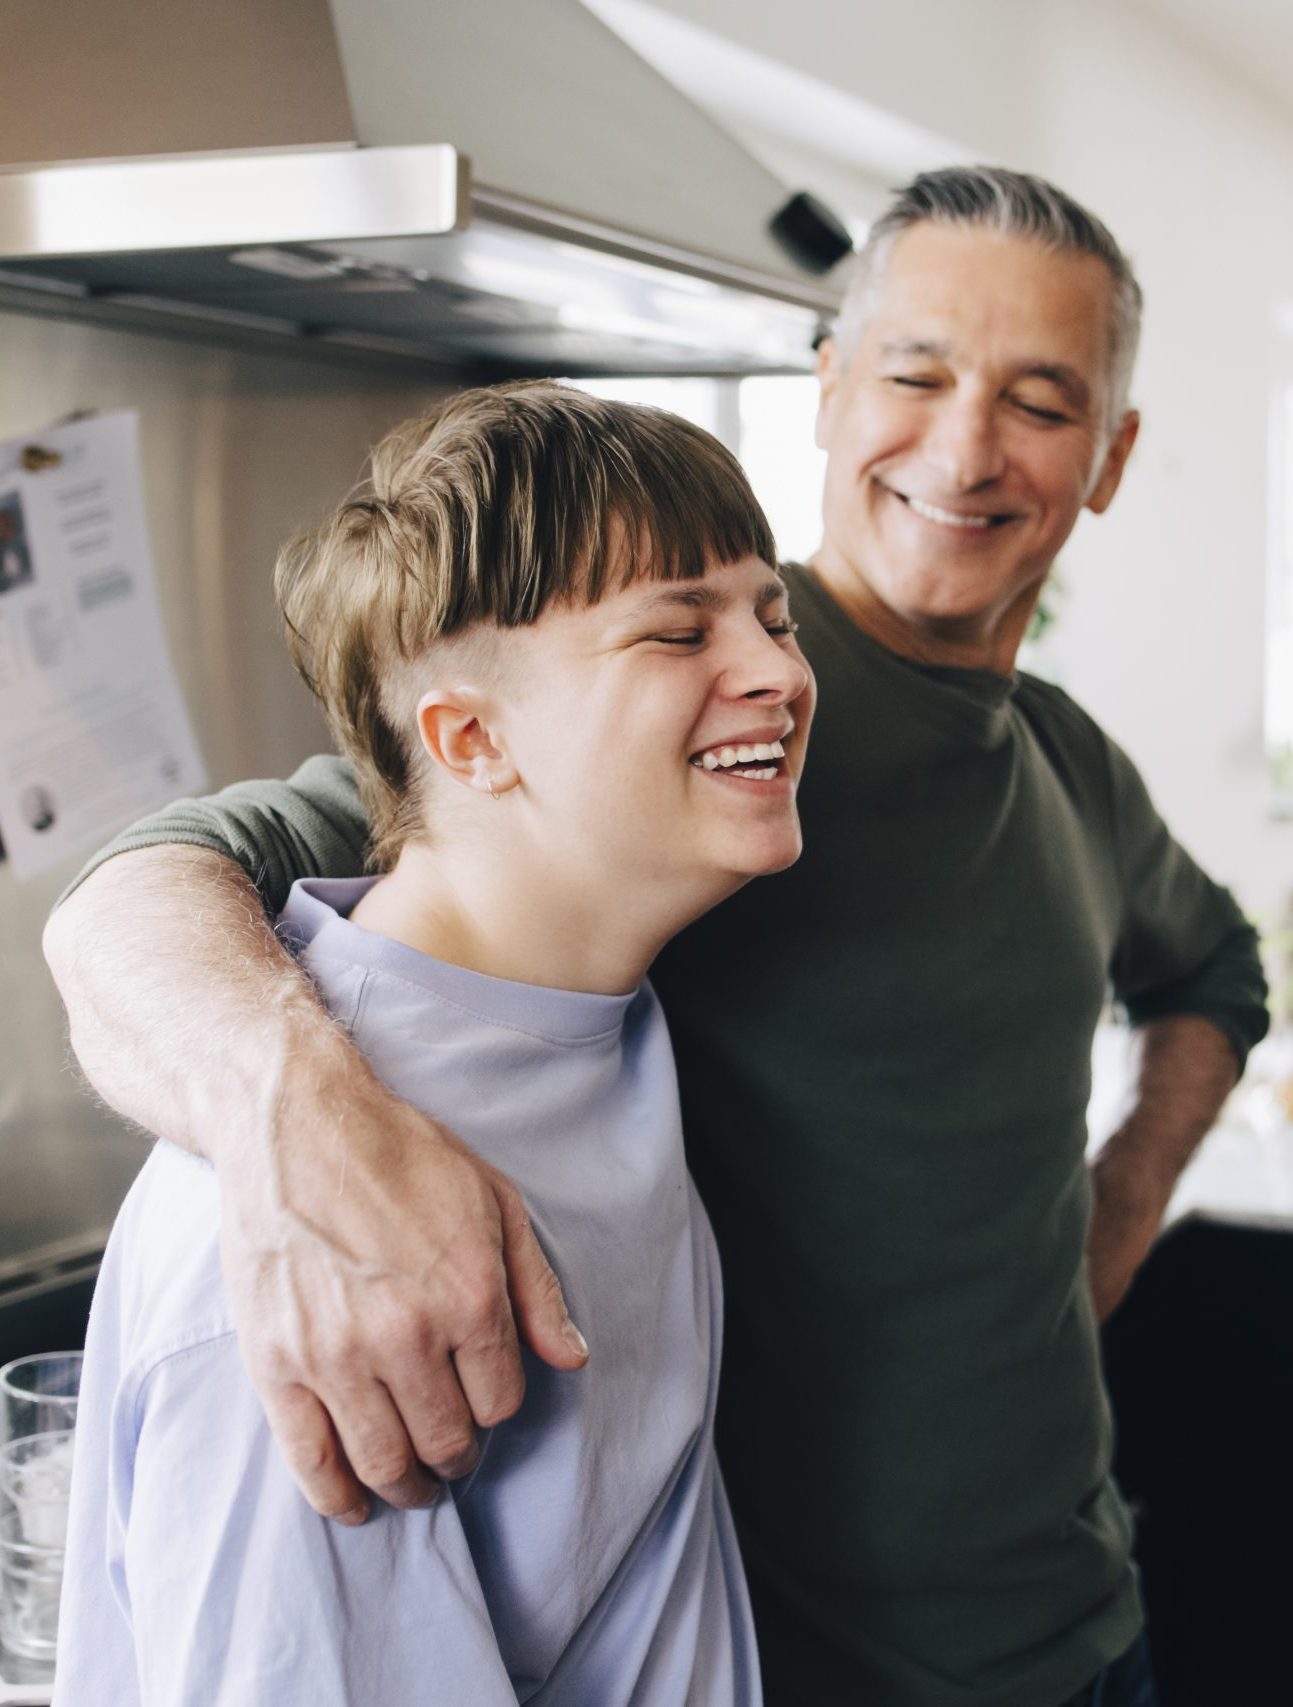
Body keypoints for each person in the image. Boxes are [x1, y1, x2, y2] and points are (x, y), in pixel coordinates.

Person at [46, 169, 1268, 1707]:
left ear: (1107, 458)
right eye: (913, 373)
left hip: (1082, 1632)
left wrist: (1107, 1220)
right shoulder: (652, 737)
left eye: (1038, 399)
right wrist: (296, 1121)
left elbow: (1211, 970)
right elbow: (141, 889)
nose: (964, 446)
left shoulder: (1057, 760)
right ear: (826, 392)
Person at [52, 383, 814, 1705]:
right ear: (469, 739)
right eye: (674, 631)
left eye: (770, 615)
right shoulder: (309, 1253)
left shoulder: (587, 1020)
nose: (779, 675)